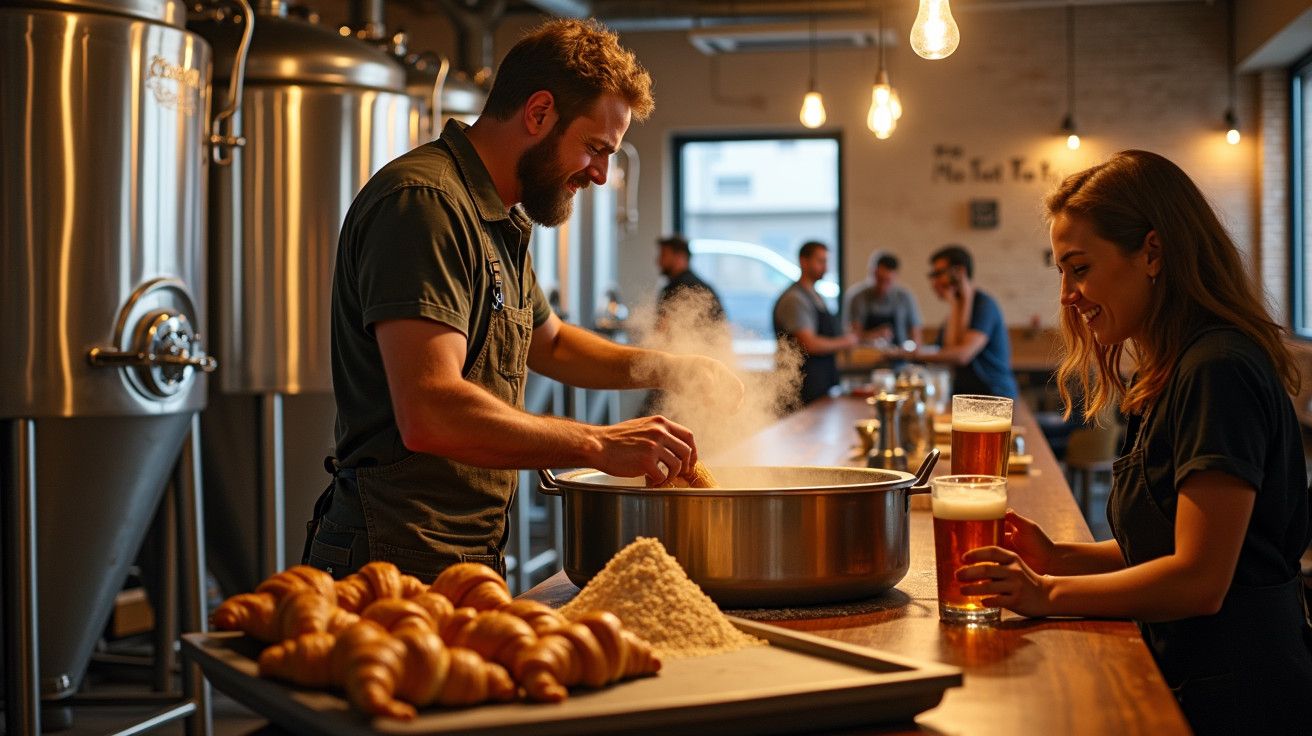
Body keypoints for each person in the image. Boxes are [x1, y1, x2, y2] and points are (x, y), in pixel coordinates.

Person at [304, 19, 743, 582]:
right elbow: (430, 409)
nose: (603, 176)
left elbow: (553, 343)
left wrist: (676, 367)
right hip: (393, 553)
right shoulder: (427, 204)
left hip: (460, 547)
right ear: (538, 114)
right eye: (594, 147)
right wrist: (598, 444)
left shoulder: (497, 217)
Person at [954, 150, 1312, 734]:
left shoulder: (1217, 368)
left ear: (1151, 252)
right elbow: (1169, 546)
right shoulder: (1179, 365)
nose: (1067, 294)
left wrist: (1046, 592)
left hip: (1240, 697)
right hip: (1195, 677)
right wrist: (1060, 556)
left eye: (1080, 267)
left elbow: (1199, 579)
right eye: (1061, 272)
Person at [912, 245, 1018, 399]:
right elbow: (950, 349)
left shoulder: (984, 305)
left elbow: (961, 356)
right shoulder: (955, 309)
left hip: (994, 396)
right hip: (968, 396)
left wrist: (914, 355)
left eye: (938, 274)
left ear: (960, 272)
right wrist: (955, 303)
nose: (934, 282)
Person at [772, 241, 857, 406]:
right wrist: (845, 342)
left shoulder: (816, 296)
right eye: (821, 261)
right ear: (804, 261)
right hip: (800, 389)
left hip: (819, 386)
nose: (825, 267)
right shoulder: (795, 299)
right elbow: (808, 343)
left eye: (826, 262)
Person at [845, 252, 922, 347]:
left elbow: (916, 337)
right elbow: (852, 336)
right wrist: (873, 335)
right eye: (879, 280)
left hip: (899, 356)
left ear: (895, 276)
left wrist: (911, 350)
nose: (883, 287)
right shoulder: (857, 297)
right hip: (865, 356)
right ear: (872, 273)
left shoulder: (905, 297)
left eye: (887, 281)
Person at [655, 234, 725, 329]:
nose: (658, 261)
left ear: (680, 257)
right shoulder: (702, 286)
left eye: (664, 255)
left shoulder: (679, 288)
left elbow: (663, 330)